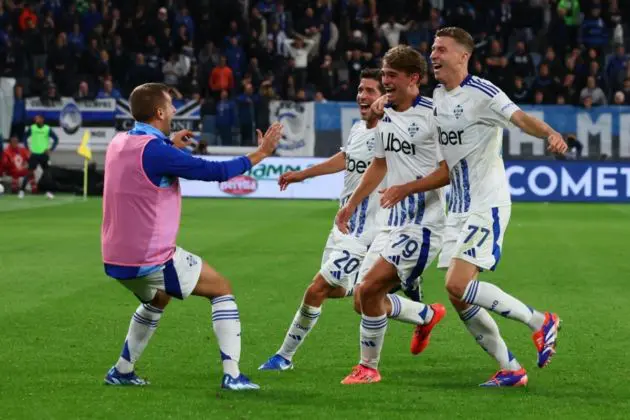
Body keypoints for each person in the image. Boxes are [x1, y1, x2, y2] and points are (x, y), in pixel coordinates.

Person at [384, 27, 567, 387]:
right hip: (458, 209)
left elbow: (519, 118)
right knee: (458, 295)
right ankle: (510, 369)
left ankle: (540, 321)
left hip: (487, 203)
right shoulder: (437, 97)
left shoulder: (482, 92)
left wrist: (548, 134)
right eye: (433, 49)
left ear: (463, 56)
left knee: (458, 283)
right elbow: (446, 170)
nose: (434, 55)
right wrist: (407, 186)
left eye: (442, 50)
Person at [101, 83, 283, 390]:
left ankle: (122, 370)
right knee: (222, 289)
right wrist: (262, 153)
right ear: (159, 112)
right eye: (170, 105)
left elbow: (148, 159)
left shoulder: (119, 142)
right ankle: (233, 376)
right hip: (151, 256)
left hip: (115, 257)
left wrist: (169, 145)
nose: (174, 110)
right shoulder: (157, 152)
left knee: (159, 298)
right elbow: (214, 172)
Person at [259, 69, 395, 371]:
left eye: (370, 91)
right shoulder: (359, 129)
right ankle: (423, 314)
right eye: (360, 89)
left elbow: (380, 173)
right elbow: (345, 159)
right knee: (347, 292)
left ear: (383, 97)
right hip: (343, 226)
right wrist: (302, 174)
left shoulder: (390, 133)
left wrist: (352, 206)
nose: (362, 96)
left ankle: (284, 357)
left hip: (366, 229)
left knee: (316, 289)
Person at [334, 45, 447, 385]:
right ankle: (425, 314)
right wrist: (352, 203)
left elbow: (449, 171)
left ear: (414, 78)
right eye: (383, 75)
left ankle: (368, 368)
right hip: (390, 221)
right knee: (362, 299)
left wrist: (406, 189)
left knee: (369, 290)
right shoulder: (384, 116)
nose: (385, 82)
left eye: (391, 76)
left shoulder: (434, 116)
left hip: (423, 224)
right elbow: (380, 164)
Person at [20, 114, 58, 199]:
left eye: (38, 119)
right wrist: (27, 147)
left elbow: (56, 139)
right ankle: (22, 191)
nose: (36, 120)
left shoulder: (47, 129)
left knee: (47, 173)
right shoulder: (32, 128)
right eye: (35, 119)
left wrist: (51, 149)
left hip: (44, 155)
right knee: (29, 172)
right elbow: (24, 137)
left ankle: (49, 192)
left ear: (42, 119)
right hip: (34, 154)